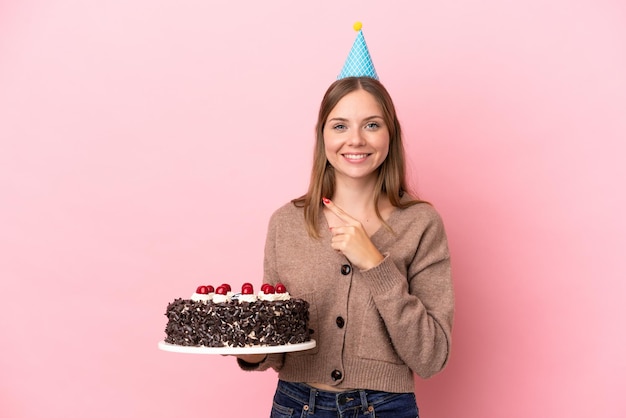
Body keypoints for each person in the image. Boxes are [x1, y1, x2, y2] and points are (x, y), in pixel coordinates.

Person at [235, 75, 454, 417]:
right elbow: (279, 346)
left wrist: (375, 265)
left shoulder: (421, 223)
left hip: (384, 408)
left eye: (371, 124)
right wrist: (252, 350)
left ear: (390, 134)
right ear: (322, 135)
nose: (355, 140)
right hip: (296, 406)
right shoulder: (286, 223)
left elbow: (431, 357)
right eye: (340, 126)